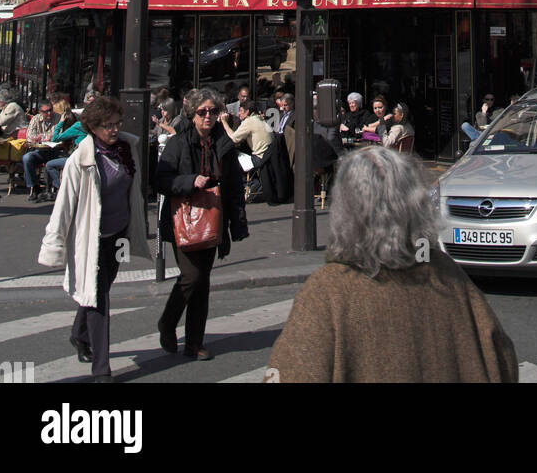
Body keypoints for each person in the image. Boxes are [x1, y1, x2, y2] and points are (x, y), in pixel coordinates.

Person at [266, 150, 518, 383]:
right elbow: (502, 359)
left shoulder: (329, 290)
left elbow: (291, 372)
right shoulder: (443, 270)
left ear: (345, 210)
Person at [37, 95, 150, 382]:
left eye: (116, 124)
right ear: (93, 127)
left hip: (118, 235)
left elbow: (133, 189)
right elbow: (63, 206)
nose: (114, 129)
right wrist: (54, 243)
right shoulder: (81, 159)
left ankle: (78, 334)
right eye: (107, 125)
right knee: (99, 302)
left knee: (98, 291)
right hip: (91, 240)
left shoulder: (127, 149)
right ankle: (102, 369)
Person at [156, 87, 249, 360]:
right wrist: (189, 182)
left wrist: (237, 226)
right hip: (183, 218)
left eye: (213, 111)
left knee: (203, 282)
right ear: (192, 115)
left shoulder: (224, 144)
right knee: (191, 277)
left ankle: (194, 342)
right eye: (202, 112)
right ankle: (168, 322)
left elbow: (233, 187)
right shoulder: (179, 142)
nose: (208, 117)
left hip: (213, 217)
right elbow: (161, 181)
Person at [220, 98, 291, 205]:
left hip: (260, 158)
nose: (239, 113)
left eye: (241, 111)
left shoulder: (249, 122)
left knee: (231, 160)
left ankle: (245, 188)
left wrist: (224, 123)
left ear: (247, 112)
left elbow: (233, 139)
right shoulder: (259, 119)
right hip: (269, 156)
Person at [23, 100, 57, 199]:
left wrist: (52, 137)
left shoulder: (58, 118)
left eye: (50, 110)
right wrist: (36, 138)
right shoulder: (35, 119)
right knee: (27, 158)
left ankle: (49, 188)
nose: (49, 113)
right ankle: (34, 187)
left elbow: (60, 133)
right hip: (39, 151)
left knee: (50, 162)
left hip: (54, 150)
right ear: (40, 112)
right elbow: (29, 136)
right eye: (45, 111)